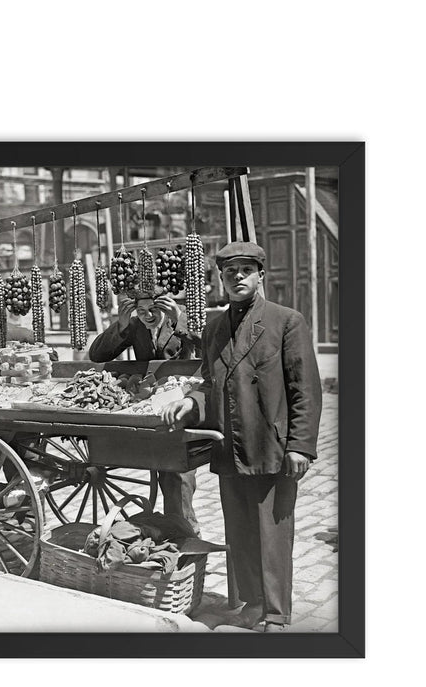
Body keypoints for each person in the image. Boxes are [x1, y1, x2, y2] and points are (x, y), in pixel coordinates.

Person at [160, 241, 322, 632]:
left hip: (272, 446)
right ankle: (251, 603)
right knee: (241, 531)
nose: (237, 277)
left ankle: (276, 615)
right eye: (229, 272)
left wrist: (300, 445)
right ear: (221, 278)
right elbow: (208, 382)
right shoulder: (214, 328)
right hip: (228, 447)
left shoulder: (287, 321)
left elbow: (306, 390)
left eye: (245, 270)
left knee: (273, 533)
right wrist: (191, 403)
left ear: (260, 275)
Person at [88, 288, 202, 535]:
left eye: (153, 310)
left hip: (181, 400)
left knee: (178, 469)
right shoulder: (136, 326)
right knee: (163, 465)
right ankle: (173, 528)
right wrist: (121, 324)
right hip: (149, 404)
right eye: (141, 311)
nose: (148, 315)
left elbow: (206, 347)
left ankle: (186, 530)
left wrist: (179, 317)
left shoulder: (177, 319)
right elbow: (97, 354)